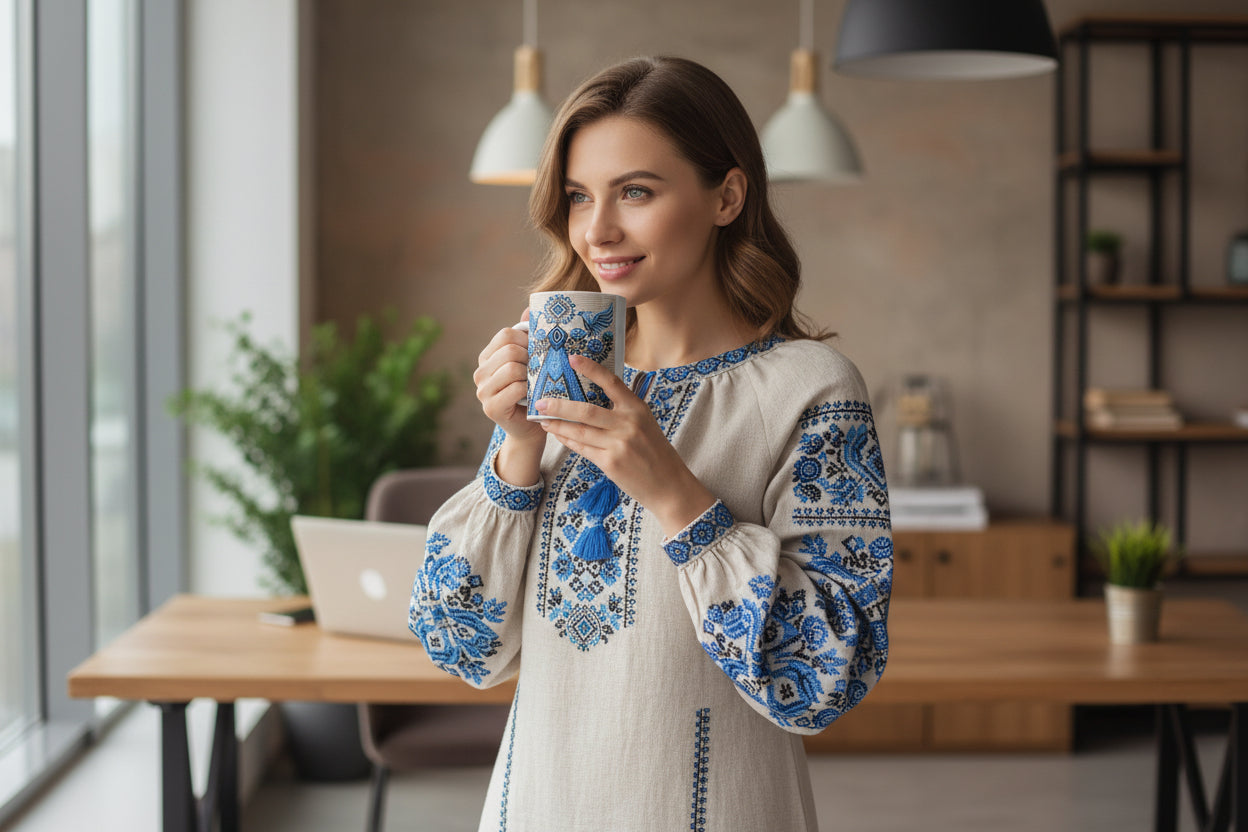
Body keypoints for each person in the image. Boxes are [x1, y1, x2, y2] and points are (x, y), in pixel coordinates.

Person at [409, 55, 892, 832]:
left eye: (635, 191)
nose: (597, 230)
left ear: (727, 196)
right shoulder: (562, 379)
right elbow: (457, 643)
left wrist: (674, 492)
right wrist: (516, 451)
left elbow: (826, 678)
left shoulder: (811, 389)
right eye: (577, 196)